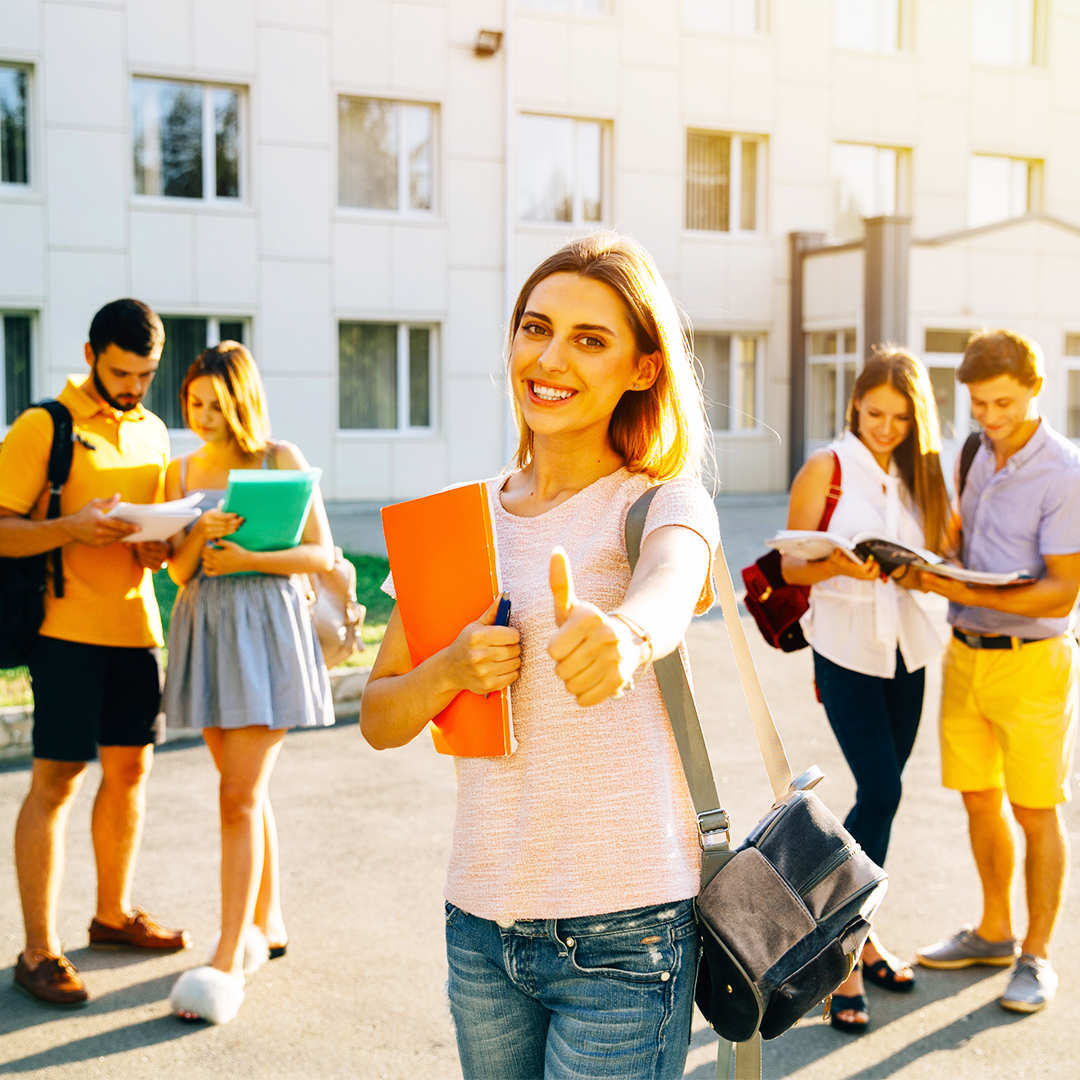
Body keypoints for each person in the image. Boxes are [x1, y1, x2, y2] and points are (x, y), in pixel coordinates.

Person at [361, 233, 719, 1080]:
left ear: (643, 367)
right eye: (535, 327)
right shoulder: (453, 521)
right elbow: (378, 718)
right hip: (480, 923)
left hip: (626, 932)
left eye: (590, 339)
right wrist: (448, 670)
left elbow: (672, 582)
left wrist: (628, 636)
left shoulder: (661, 501)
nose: (549, 358)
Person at [0, 298, 190, 1008]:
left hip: (138, 630)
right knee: (56, 781)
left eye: (145, 374)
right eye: (121, 372)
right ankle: (38, 950)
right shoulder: (44, 425)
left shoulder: (154, 431)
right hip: (64, 632)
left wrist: (159, 546)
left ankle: (112, 916)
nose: (134, 387)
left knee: (131, 773)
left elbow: (161, 547)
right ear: (89, 356)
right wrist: (71, 528)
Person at [163, 343, 335, 1025]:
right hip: (205, 628)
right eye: (193, 404)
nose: (204, 417)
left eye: (216, 403)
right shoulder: (181, 470)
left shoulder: (278, 458)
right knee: (247, 793)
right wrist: (195, 534)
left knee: (236, 796)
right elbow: (176, 572)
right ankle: (270, 919)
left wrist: (252, 555)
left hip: (265, 629)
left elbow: (322, 553)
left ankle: (231, 953)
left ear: (242, 399)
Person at [780, 347, 950, 1034]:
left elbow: (942, 553)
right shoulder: (828, 466)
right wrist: (840, 563)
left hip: (910, 651)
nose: (886, 427)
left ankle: (861, 932)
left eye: (900, 418)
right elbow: (790, 561)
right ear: (855, 406)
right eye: (875, 414)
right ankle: (839, 955)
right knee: (882, 792)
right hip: (847, 650)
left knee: (883, 797)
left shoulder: (921, 475)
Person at [915, 329, 1080, 1014]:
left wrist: (967, 592)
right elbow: (961, 539)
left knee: (1034, 811)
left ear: (1036, 389)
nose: (988, 417)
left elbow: (1063, 591)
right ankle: (993, 931)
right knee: (978, 798)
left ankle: (1037, 958)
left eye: (1003, 403)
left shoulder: (1065, 472)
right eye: (979, 404)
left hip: (1033, 662)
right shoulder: (975, 451)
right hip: (966, 656)